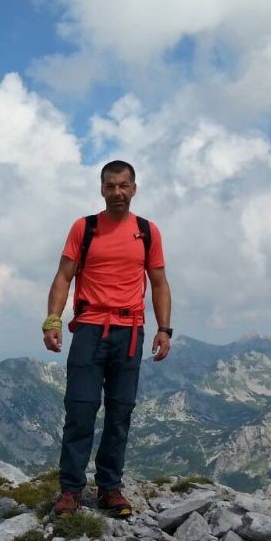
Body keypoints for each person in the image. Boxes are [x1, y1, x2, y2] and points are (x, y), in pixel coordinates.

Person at [42, 160, 172, 519]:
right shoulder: (85, 228)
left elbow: (159, 282)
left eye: (123, 185)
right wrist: (52, 320)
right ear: (102, 189)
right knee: (80, 410)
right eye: (110, 186)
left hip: (129, 332)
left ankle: (109, 488)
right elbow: (63, 276)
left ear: (134, 189)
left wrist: (164, 328)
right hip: (89, 328)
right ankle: (71, 491)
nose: (117, 192)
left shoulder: (147, 231)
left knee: (120, 412)